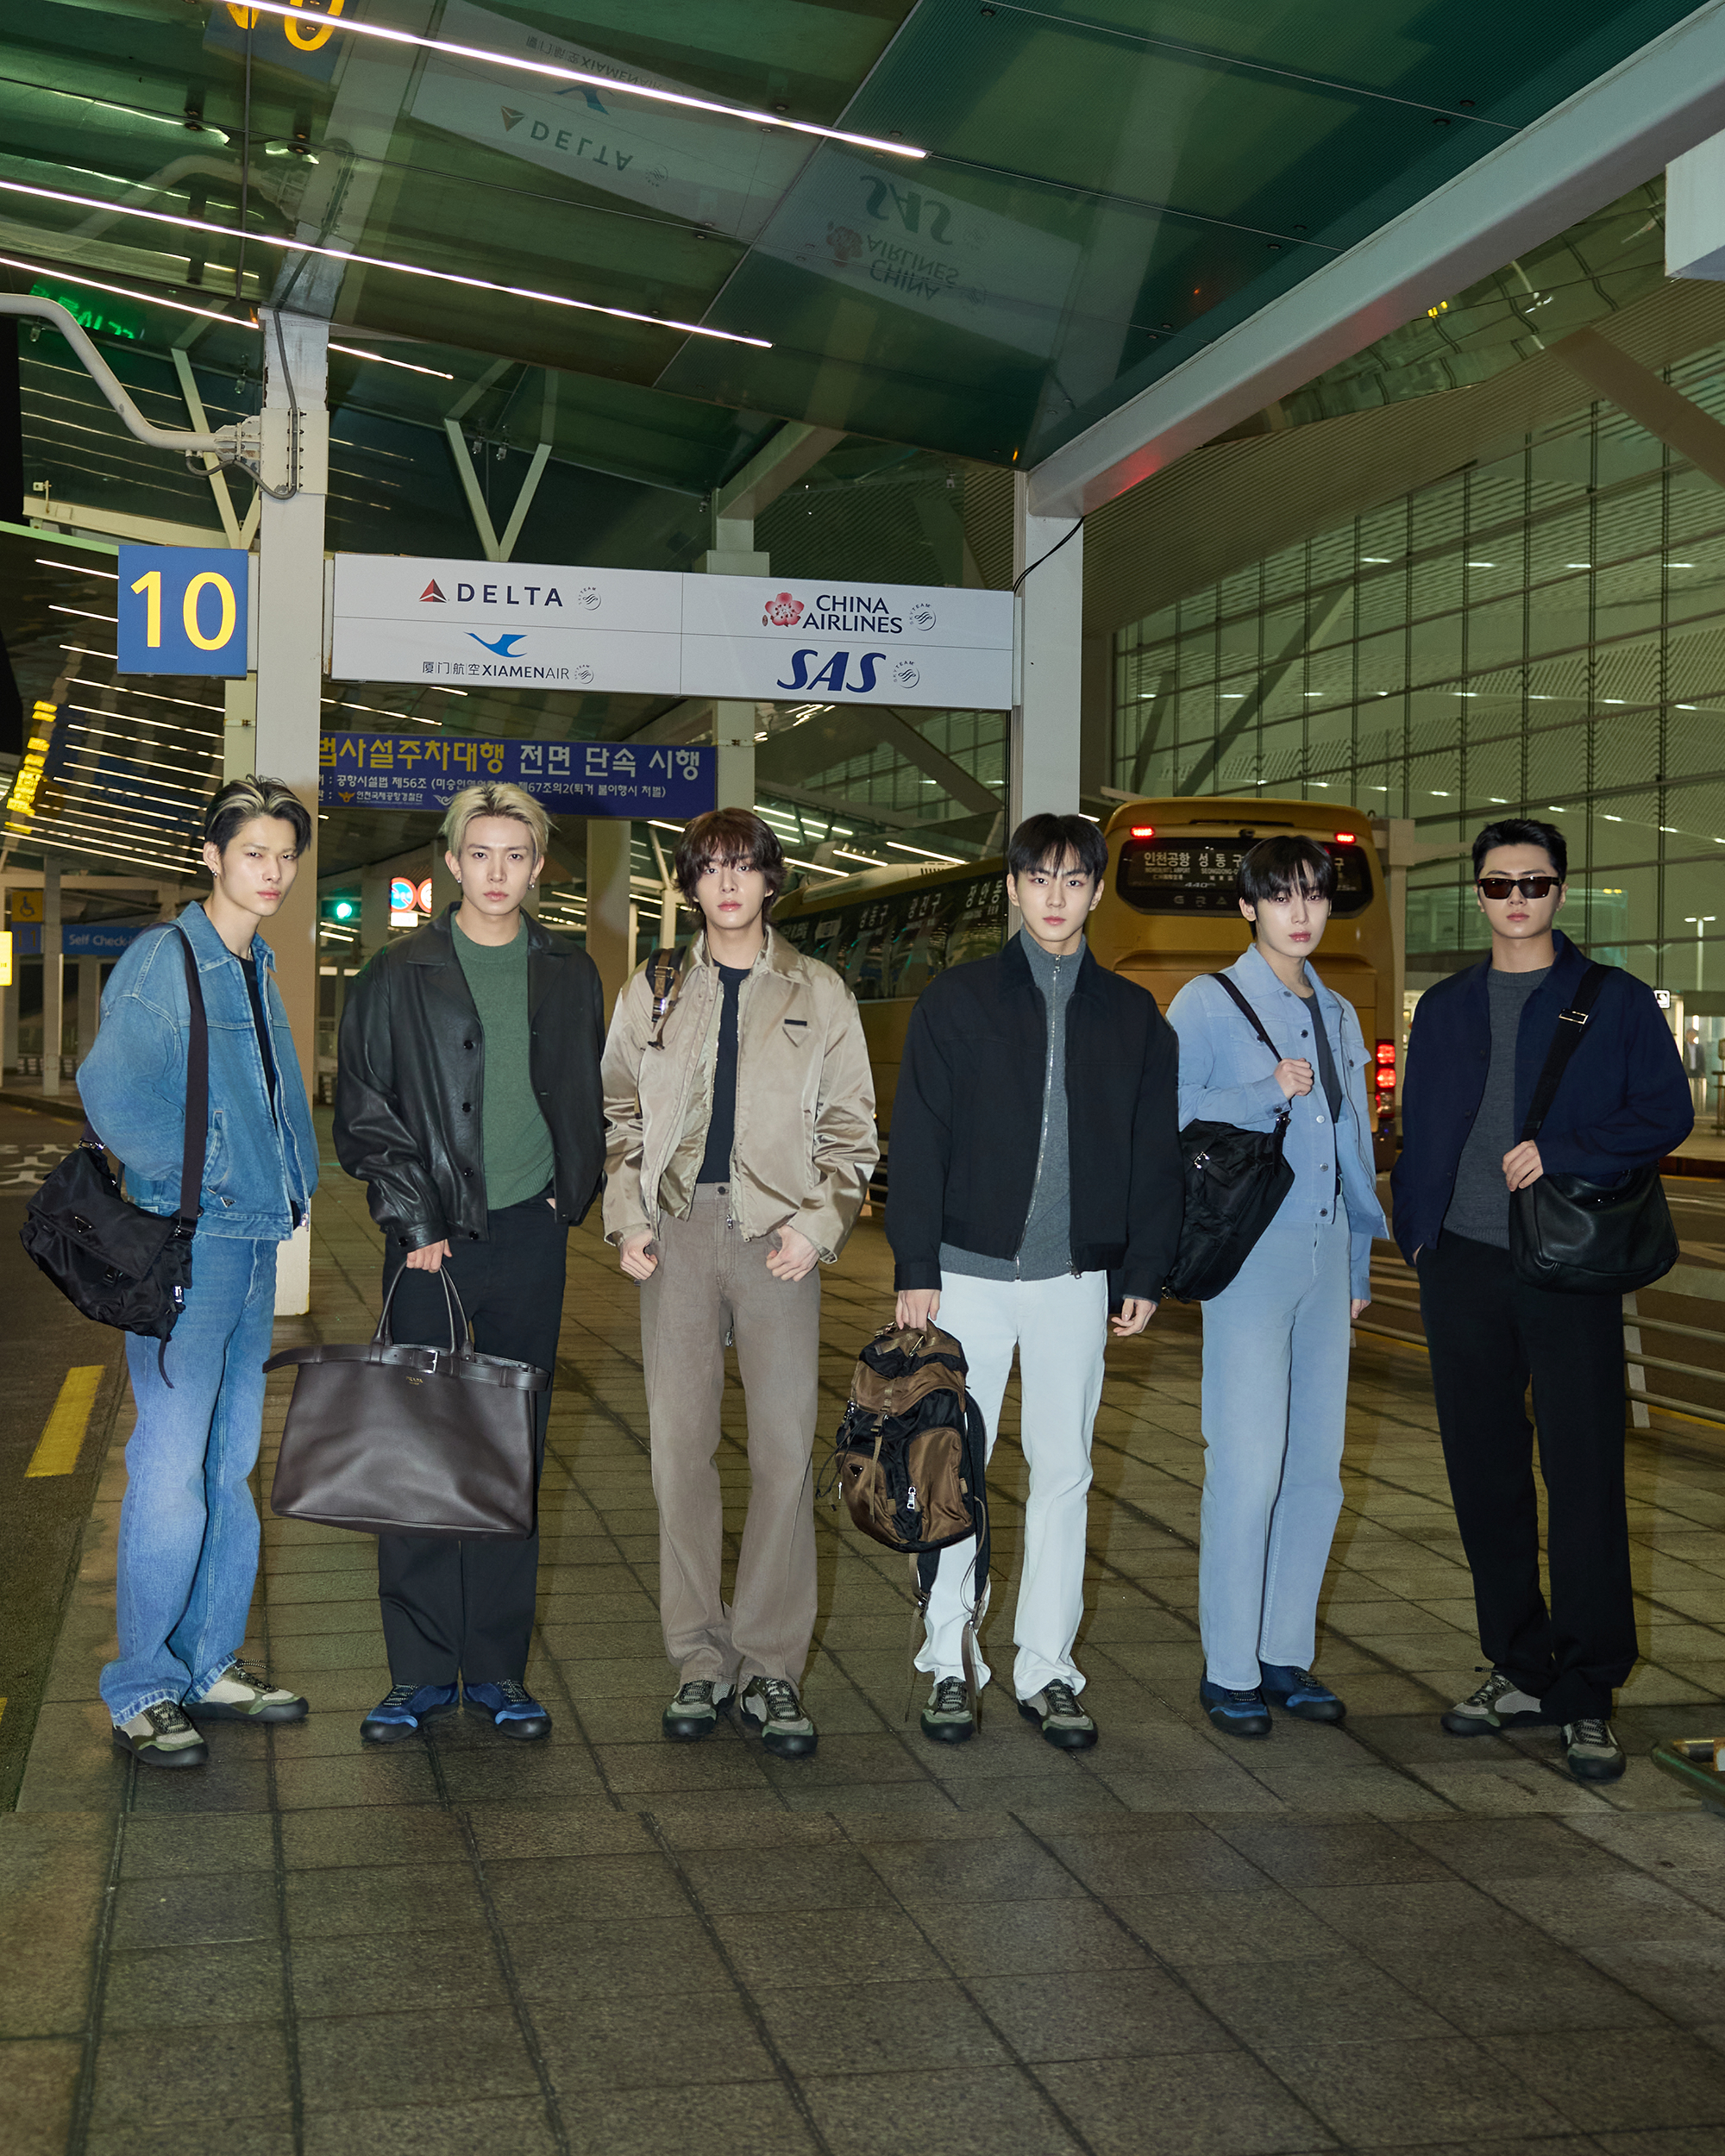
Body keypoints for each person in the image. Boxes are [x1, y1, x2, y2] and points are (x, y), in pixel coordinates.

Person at [1392, 818, 1691, 1783]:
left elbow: (1666, 1112)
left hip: (1566, 1266)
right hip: (1463, 1267)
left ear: (1560, 890)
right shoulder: (1445, 1006)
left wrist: (1560, 1151)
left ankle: (1587, 1689)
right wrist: (1417, 1232)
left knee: (1584, 1475)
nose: (1515, 898)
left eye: (1532, 882)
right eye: (1497, 884)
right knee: (1483, 1477)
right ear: (1477, 894)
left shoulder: (1612, 1000)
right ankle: (1518, 1666)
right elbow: (1419, 1124)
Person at [887, 812, 1182, 1751]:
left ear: (1095, 891)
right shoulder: (957, 1000)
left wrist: (1142, 1269)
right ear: (1012, 888)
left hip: (1073, 1279)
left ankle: (1046, 1667)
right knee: (950, 1469)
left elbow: (1153, 1154)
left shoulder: (1131, 1015)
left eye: (1074, 880)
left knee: (1064, 1471)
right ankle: (948, 1660)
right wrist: (915, 1267)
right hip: (964, 1278)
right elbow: (920, 1138)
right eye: (1039, 879)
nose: (1056, 897)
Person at [602, 807, 876, 1758]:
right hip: (676, 1234)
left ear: (769, 880)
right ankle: (697, 1656)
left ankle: (768, 1663)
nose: (727, 882)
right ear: (688, 884)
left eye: (744, 865)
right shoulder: (654, 989)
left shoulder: (817, 990)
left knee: (781, 1453)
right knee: (677, 1452)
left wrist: (818, 1224)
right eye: (709, 866)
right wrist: (629, 1215)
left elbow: (852, 1129)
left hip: (775, 1241)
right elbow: (618, 1112)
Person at [336, 783, 604, 1746]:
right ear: (451, 863)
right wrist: (417, 1218)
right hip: (430, 1242)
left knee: (507, 1450)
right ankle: (416, 1672)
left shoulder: (569, 970)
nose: (497, 872)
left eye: (515, 855)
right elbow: (365, 1108)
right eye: (480, 854)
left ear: (537, 867)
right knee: (418, 1451)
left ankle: (495, 1669)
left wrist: (568, 1198)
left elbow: (586, 1088)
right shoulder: (397, 971)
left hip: (531, 1235)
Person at [79, 777, 318, 1767]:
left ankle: (207, 1660)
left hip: (255, 1239)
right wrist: (206, 1174)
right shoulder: (164, 960)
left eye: (285, 856)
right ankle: (142, 1685)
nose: (273, 872)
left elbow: (271, 1099)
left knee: (228, 1467)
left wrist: (287, 1188)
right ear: (212, 856)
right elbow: (109, 1089)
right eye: (254, 852)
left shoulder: (255, 963)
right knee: (172, 1468)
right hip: (193, 1245)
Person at [1167, 837, 1385, 1739]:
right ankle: (1229, 1667)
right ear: (1247, 907)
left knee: (1315, 1472)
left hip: (1326, 1257)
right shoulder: (1207, 1000)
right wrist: (1265, 1090)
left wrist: (1358, 1264)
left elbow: (1353, 1144)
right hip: (1251, 1255)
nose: (1301, 912)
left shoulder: (1336, 1009)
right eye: (1281, 896)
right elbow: (1168, 1113)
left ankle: (1283, 1653)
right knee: (1247, 1464)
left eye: (1315, 896)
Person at [1684, 1025, 1708, 1116]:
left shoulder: (1699, 1047)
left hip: (1696, 1070)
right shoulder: (1683, 1046)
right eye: (1690, 1034)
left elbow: (1702, 1060)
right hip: (1687, 1070)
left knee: (1698, 1089)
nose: (1692, 1036)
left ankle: (1698, 1108)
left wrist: (1703, 1071)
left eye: (1693, 1034)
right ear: (1686, 1035)